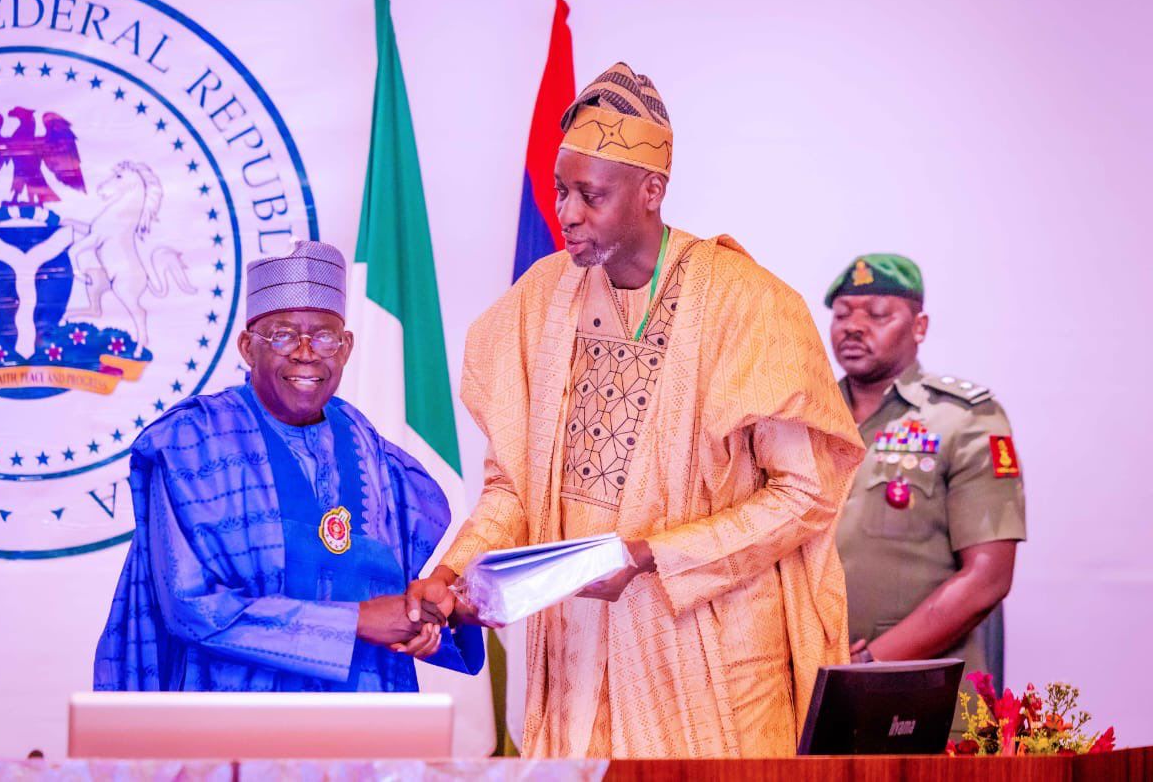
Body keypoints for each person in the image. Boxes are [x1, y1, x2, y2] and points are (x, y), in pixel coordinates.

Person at [406, 63, 865, 758]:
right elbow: (514, 490)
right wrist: (452, 573)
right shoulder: (537, 302)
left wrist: (651, 555)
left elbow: (804, 495)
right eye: (561, 191)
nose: (567, 213)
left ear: (652, 191)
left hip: (709, 669)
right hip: (579, 662)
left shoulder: (749, 303)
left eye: (590, 195)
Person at [94, 240, 483, 692]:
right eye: (282, 335)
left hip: (361, 715)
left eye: (324, 336)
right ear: (247, 347)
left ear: (346, 347)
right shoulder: (191, 445)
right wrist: (353, 622)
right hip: (233, 711)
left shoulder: (377, 456)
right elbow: (189, 607)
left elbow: (397, 597)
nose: (305, 352)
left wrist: (431, 614)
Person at [824, 254, 1025, 729]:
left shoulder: (964, 418)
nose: (854, 327)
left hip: (925, 699)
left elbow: (988, 578)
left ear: (919, 327)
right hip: (809, 688)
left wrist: (869, 665)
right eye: (842, 314)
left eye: (877, 314)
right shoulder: (807, 417)